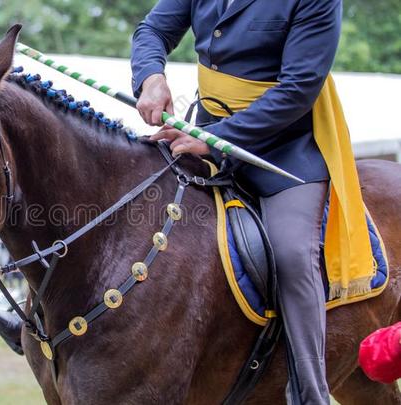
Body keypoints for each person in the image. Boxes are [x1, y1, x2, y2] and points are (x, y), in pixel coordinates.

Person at [131, 0, 372, 403]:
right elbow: (152, 30)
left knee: (292, 253)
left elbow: (299, 88)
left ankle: (310, 392)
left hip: (282, 150)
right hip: (203, 131)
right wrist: (151, 75)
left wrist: (218, 141)